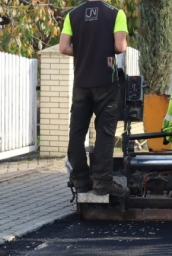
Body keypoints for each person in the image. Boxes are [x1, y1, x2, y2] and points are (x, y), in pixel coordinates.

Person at [60, 0, 130, 197]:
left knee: (77, 131)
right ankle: (102, 182)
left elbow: (64, 48)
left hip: (81, 82)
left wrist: (83, 52)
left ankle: (80, 180)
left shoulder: (72, 15)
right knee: (105, 132)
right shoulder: (116, 14)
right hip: (106, 81)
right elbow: (120, 46)